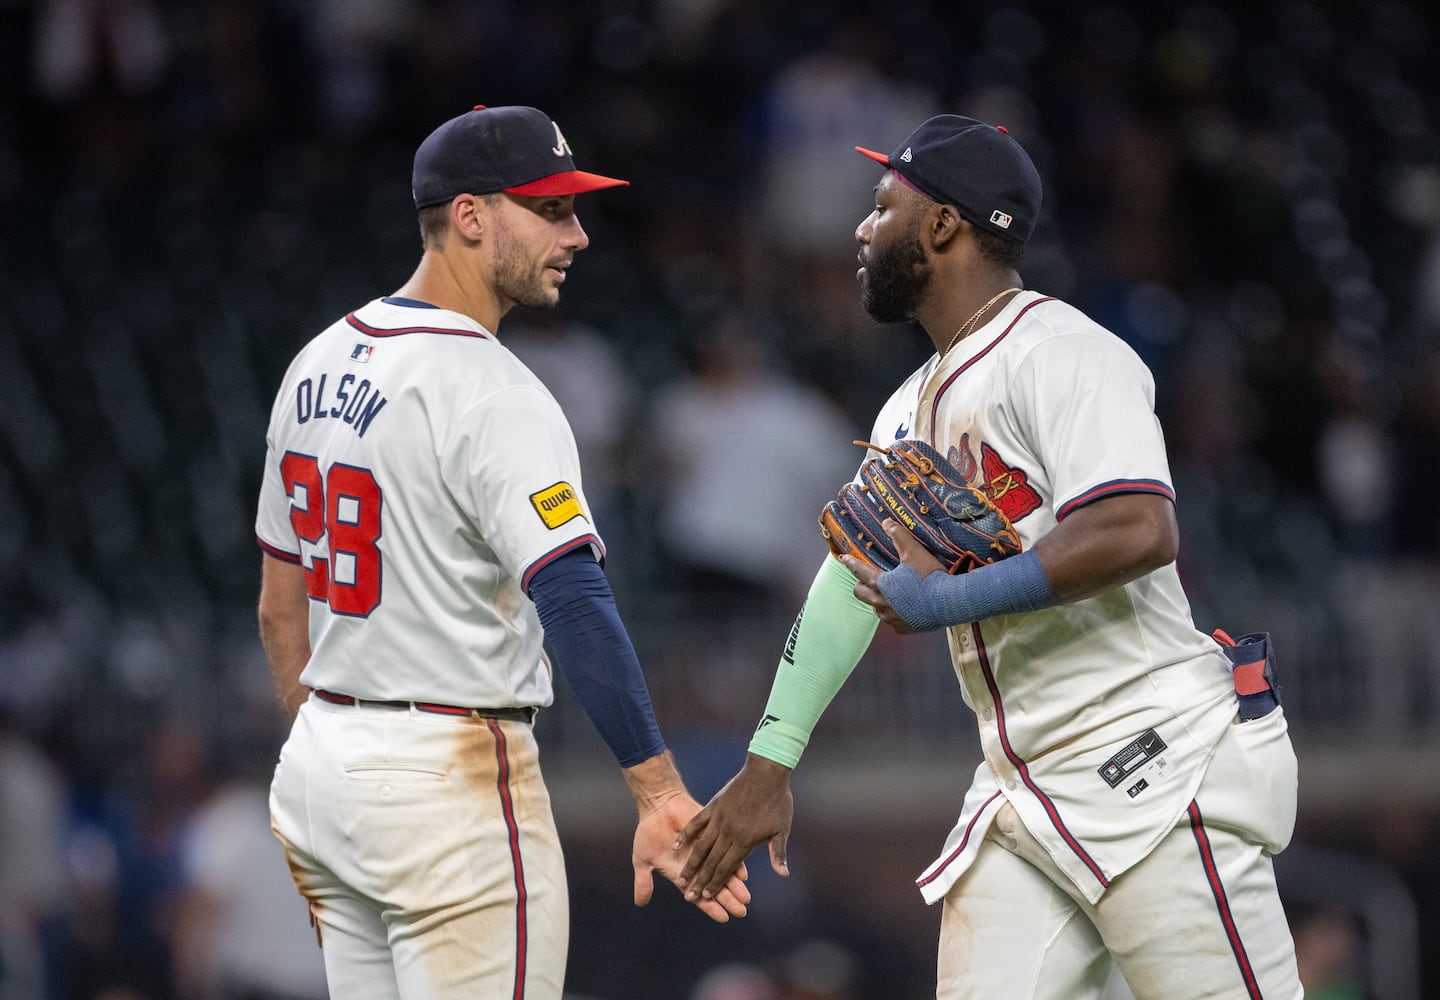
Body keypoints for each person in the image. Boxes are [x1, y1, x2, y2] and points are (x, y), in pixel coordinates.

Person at [676, 114, 1303, 999]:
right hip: (1025, 787)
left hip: (1154, 762)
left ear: (942, 226)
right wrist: (768, 766)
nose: (861, 229)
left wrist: (941, 604)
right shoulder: (905, 410)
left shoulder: (1066, 352)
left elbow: (1138, 528)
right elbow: (850, 579)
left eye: (882, 207)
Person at [254, 104, 749, 1000]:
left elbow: (278, 607)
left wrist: (336, 747)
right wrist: (657, 790)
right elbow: (573, 602)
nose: (579, 233)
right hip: (448, 777)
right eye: (550, 210)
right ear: (471, 217)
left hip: (324, 764)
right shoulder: (492, 390)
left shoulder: (315, 362)